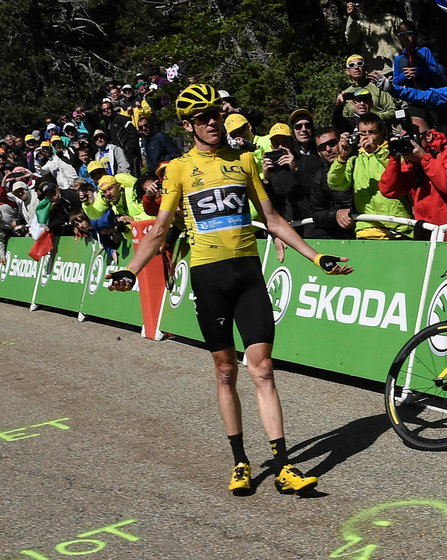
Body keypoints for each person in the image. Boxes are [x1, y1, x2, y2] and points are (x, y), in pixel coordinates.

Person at [107, 84, 352, 496]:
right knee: (225, 372)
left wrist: (316, 257)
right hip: (209, 276)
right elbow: (162, 230)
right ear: (188, 126)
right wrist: (132, 269)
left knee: (263, 369)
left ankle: (282, 464)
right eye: (201, 117)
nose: (211, 122)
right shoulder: (180, 169)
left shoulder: (244, 161)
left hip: (248, 274)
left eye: (214, 114)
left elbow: (272, 219)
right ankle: (240, 460)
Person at [378, 113, 447, 241]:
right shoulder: (412, 162)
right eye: (404, 137)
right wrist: (394, 158)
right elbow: (389, 190)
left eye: (411, 136)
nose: (409, 141)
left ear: (429, 135)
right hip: (427, 234)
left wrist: (424, 158)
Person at [328, 112, 414, 239]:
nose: (367, 137)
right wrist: (342, 157)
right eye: (363, 133)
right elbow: (335, 183)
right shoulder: (354, 159)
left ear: (382, 133)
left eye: (372, 132)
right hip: (367, 229)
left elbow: (401, 174)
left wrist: (376, 151)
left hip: (398, 227)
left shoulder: (395, 152)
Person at [304, 127, 354, 239]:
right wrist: (336, 215)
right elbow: (316, 213)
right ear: (318, 153)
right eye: (322, 147)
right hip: (342, 237)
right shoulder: (320, 176)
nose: (328, 149)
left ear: (341, 141)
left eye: (332, 143)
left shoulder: (360, 162)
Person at [392, 20, 443, 90]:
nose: (406, 37)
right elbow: (395, 82)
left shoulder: (424, 51)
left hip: (428, 94)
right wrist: (404, 75)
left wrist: (419, 71)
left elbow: (436, 73)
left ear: (415, 34)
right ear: (399, 37)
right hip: (411, 96)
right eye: (402, 35)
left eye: (409, 33)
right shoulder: (398, 58)